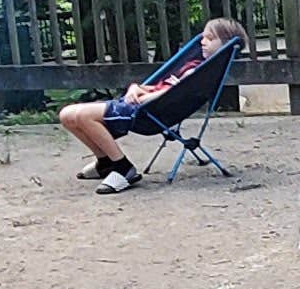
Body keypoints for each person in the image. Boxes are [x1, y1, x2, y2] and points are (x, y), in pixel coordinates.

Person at [62, 18, 243, 191]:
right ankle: (105, 162)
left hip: (146, 111)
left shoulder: (198, 74)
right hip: (142, 103)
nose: (202, 42)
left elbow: (170, 94)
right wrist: (136, 88)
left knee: (84, 116)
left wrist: (145, 97)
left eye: (210, 38)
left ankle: (123, 168)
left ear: (225, 46)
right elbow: (163, 86)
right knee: (67, 115)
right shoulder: (192, 65)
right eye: (203, 37)